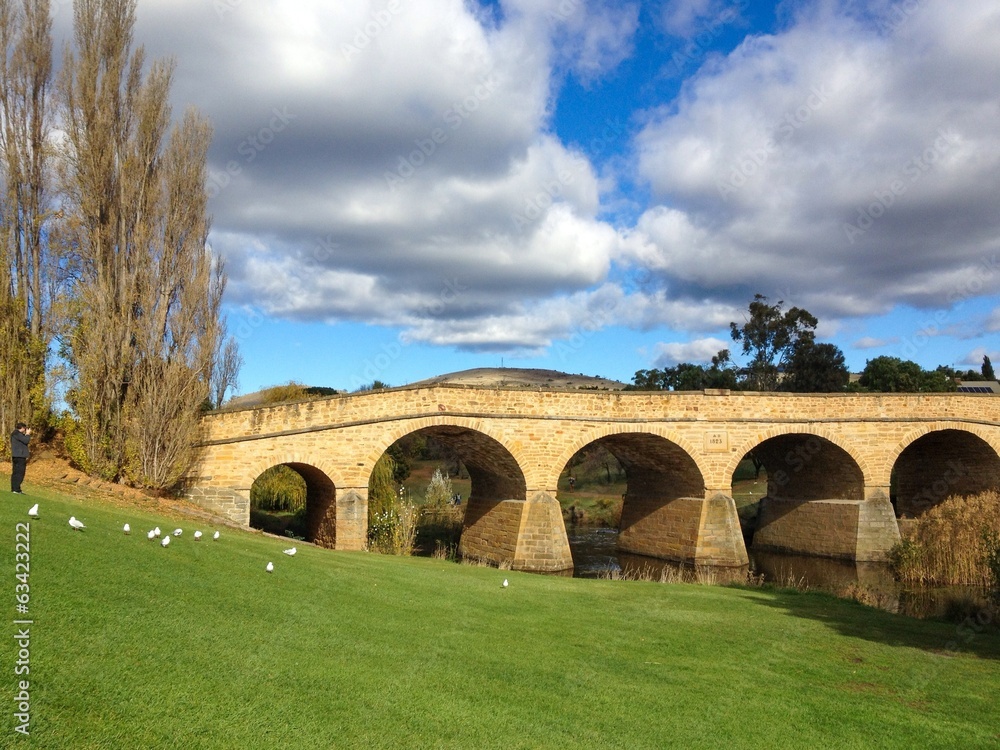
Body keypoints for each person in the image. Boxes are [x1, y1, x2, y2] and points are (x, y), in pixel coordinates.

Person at [10, 422, 31, 495]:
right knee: (19, 473)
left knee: (16, 472)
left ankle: (15, 488)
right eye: (24, 429)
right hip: (20, 456)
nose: (25, 430)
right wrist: (28, 434)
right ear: (22, 428)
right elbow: (26, 440)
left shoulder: (15, 434)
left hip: (16, 456)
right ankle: (16, 489)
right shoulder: (17, 434)